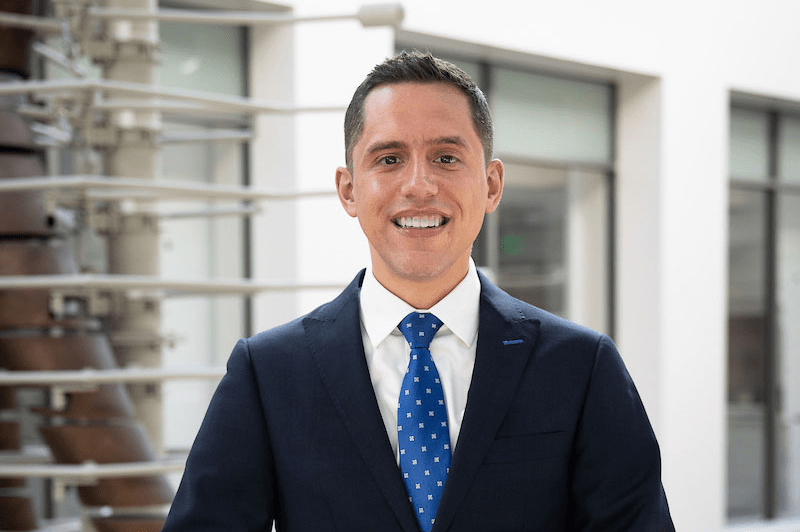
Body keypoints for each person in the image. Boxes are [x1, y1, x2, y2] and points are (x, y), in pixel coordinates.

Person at [162, 51, 675, 532]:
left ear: (491, 185)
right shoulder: (268, 374)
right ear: (349, 190)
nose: (419, 185)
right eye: (388, 159)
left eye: (446, 158)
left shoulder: (580, 367)